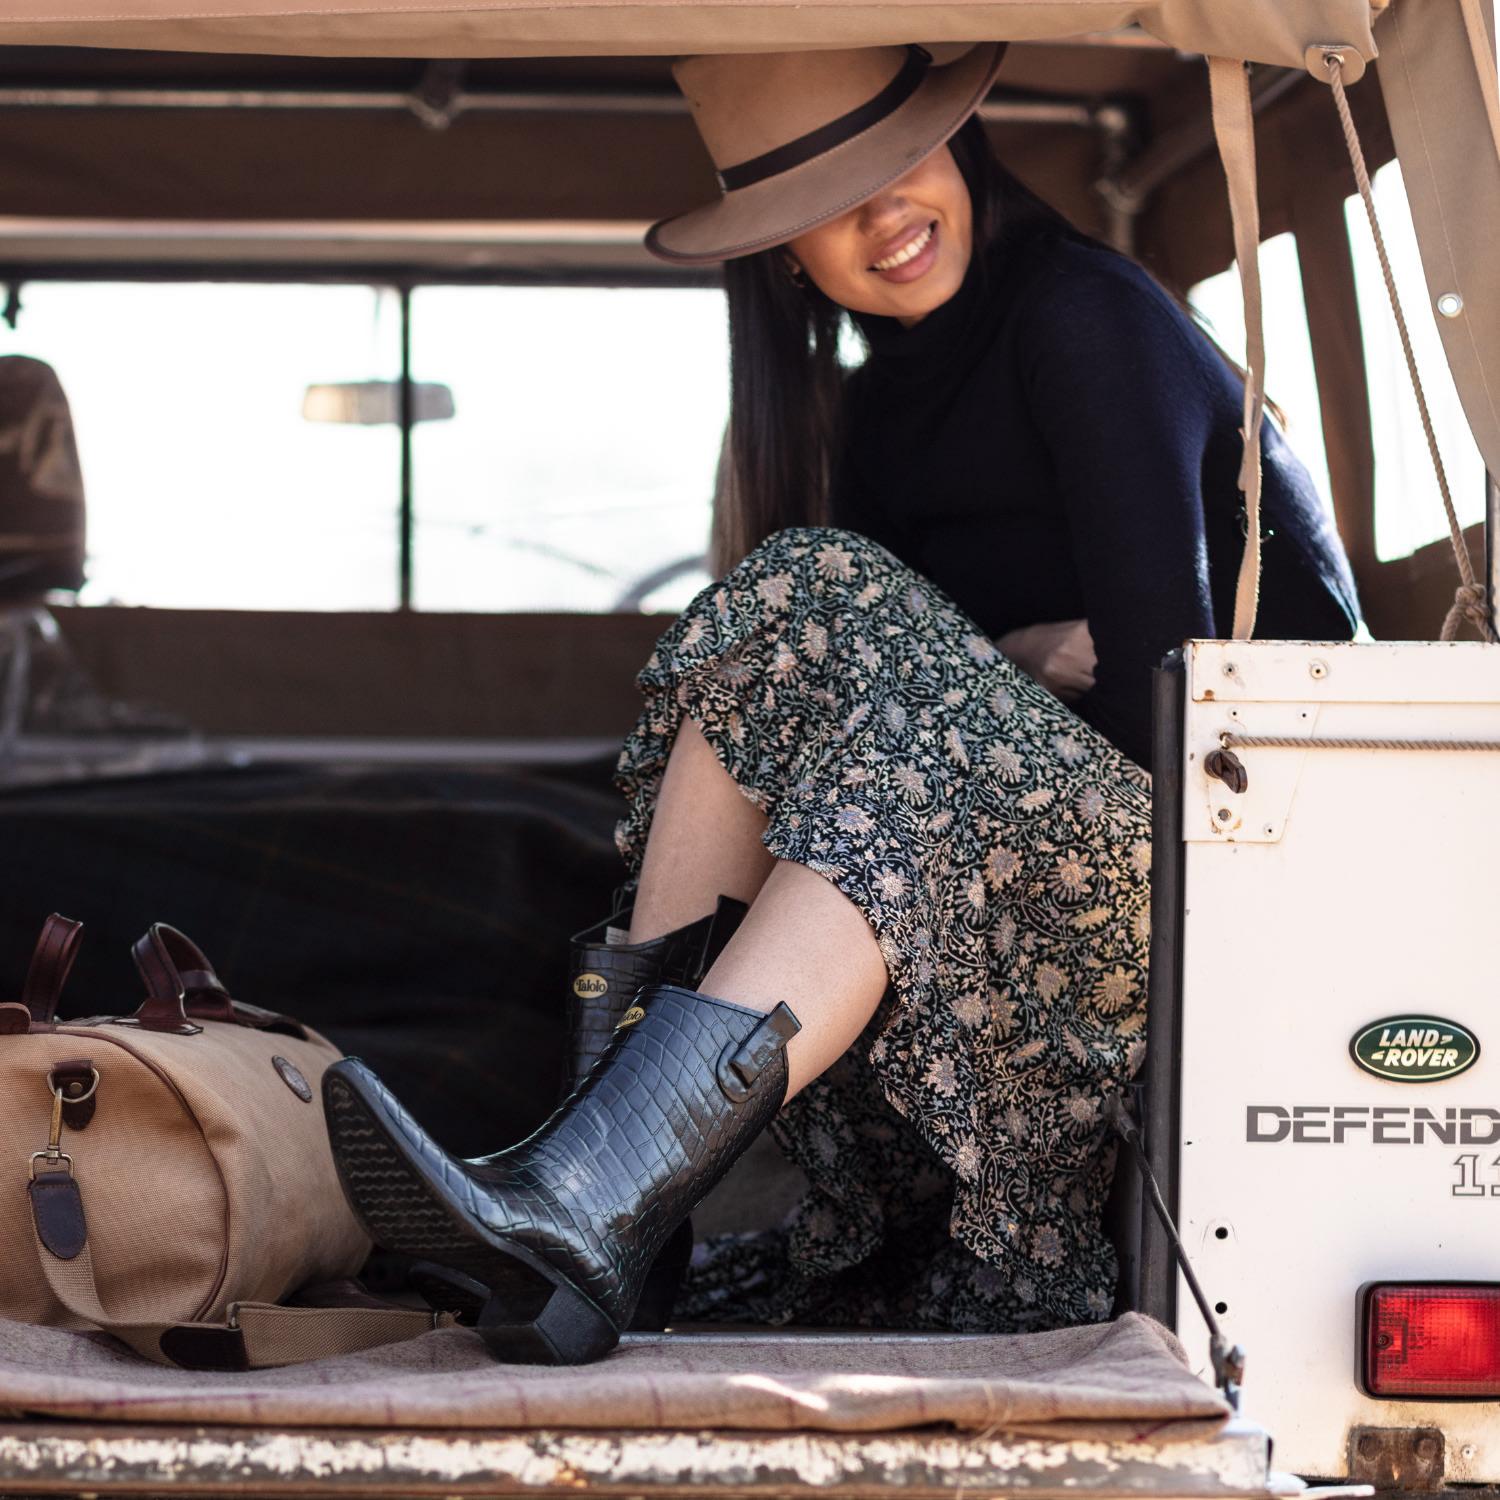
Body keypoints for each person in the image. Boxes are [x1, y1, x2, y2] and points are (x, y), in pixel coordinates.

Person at [323, 42, 1359, 1365]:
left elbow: (1183, 701)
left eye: (898, 157)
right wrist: (1015, 658)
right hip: (981, 904)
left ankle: (599, 1197)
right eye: (822, 200)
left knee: (812, 596)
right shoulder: (874, 414)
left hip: (1213, 884)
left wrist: (974, 681)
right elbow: (867, 713)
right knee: (801, 648)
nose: (881, 213)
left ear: (962, 142)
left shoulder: (1081, 316)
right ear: (779, 253)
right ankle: (598, 1219)